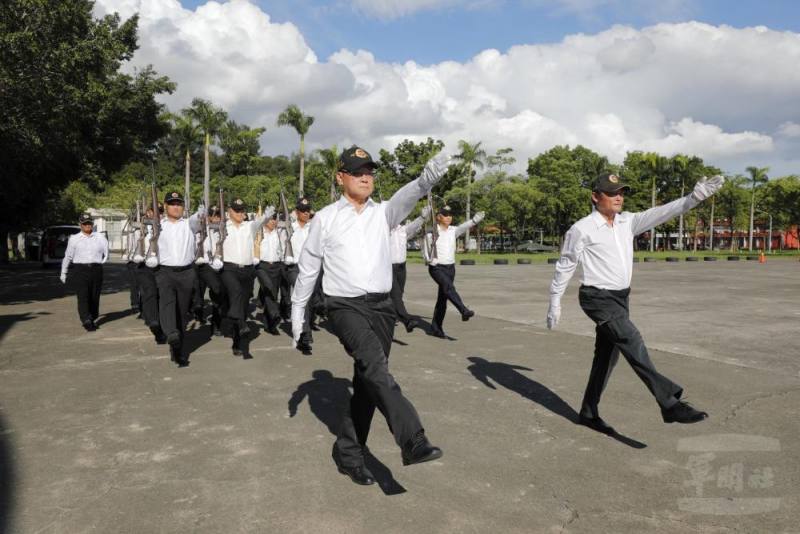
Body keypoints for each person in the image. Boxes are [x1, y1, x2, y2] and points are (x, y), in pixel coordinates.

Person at [292, 146, 448, 487]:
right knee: (376, 369)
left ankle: (348, 453)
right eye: (357, 172)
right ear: (341, 177)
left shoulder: (383, 214)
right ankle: (413, 439)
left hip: (381, 308)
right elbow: (308, 268)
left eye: (369, 172)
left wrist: (427, 179)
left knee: (367, 384)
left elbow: (408, 196)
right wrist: (297, 315)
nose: (366, 177)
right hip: (344, 307)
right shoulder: (326, 218)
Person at [547, 173, 725, 432]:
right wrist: (555, 300)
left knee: (606, 358)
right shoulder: (582, 228)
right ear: (595, 196)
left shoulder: (627, 222)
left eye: (621, 192)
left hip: (620, 298)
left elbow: (662, 213)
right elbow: (566, 264)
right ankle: (669, 403)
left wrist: (693, 198)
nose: (618, 197)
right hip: (597, 298)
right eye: (612, 193)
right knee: (632, 340)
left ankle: (588, 412)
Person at [149, 191, 205, 367]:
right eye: (172, 204)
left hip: (186, 273)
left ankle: (177, 349)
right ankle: (171, 333)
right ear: (165, 206)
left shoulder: (188, 224)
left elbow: (196, 220)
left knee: (181, 312)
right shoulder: (158, 225)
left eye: (179, 204)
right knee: (167, 304)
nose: (176, 207)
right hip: (165, 272)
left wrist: (201, 211)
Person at [220, 198, 270, 357]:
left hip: (247, 271)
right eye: (237, 210)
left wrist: (268, 214)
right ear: (229, 211)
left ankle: (237, 340)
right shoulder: (222, 226)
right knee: (235, 292)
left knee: (241, 306)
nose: (240, 213)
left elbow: (260, 221)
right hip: (229, 269)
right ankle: (241, 323)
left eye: (242, 210)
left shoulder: (249, 226)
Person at [423, 206, 483, 338]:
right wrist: (428, 259)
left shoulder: (453, 230)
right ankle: (463, 310)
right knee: (449, 288)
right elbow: (425, 249)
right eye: (445, 215)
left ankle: (436, 328)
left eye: (450, 215)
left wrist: (474, 220)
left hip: (450, 268)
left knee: (443, 298)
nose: (448, 217)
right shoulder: (432, 232)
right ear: (438, 217)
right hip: (436, 267)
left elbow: (464, 226)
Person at [60, 213, 109, 331]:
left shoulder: (100, 237)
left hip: (96, 269)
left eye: (89, 223)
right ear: (80, 225)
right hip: (80, 270)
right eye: (85, 223)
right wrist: (64, 272)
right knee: (83, 295)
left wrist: (101, 262)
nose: (87, 225)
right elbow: (68, 256)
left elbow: (106, 253)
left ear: (92, 224)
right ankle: (86, 319)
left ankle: (92, 316)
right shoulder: (74, 239)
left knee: (94, 296)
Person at [389, 206, 429, 332]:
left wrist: (422, 217)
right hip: (387, 267)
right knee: (395, 294)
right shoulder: (384, 228)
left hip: (401, 266)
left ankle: (392, 315)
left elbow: (413, 226)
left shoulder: (402, 229)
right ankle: (407, 320)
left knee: (399, 293)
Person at [282, 197, 313, 352]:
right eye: (303, 210)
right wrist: (285, 257)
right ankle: (304, 335)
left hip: (310, 269)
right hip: (293, 268)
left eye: (308, 210)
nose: (306, 213)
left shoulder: (313, 228)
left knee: (309, 301)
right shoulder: (289, 228)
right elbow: (281, 246)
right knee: (302, 296)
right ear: (296, 212)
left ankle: (304, 329)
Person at [195, 206, 227, 337]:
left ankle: (216, 324)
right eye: (214, 215)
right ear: (208, 217)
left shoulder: (224, 230)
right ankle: (198, 311)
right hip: (205, 266)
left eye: (219, 216)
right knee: (201, 292)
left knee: (219, 293)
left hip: (220, 266)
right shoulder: (202, 229)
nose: (217, 218)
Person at [255, 213, 284, 335]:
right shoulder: (258, 232)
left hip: (276, 266)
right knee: (269, 287)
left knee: (272, 293)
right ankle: (275, 313)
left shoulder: (279, 233)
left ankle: (270, 325)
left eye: (275, 219)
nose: (273, 221)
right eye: (271, 219)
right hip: (262, 266)